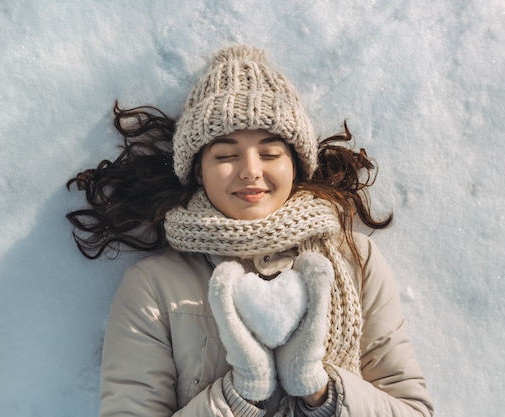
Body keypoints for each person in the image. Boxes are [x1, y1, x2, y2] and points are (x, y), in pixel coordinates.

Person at [67, 45, 434, 417]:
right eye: (226, 155)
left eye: (270, 153)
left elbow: (413, 410)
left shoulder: (357, 261)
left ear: (296, 164)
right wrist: (239, 396)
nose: (250, 170)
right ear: (198, 171)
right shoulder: (153, 286)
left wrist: (320, 389)